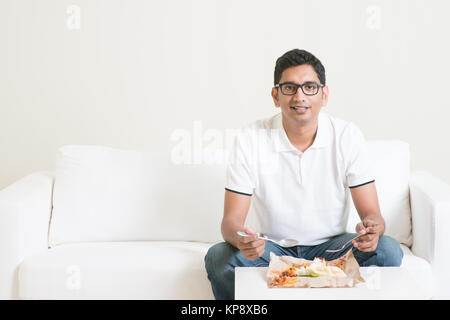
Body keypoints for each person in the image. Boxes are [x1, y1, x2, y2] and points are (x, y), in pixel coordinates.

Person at [204, 49, 403, 300]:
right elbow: (230, 222)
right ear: (276, 96)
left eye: (310, 87)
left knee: (388, 250)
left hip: (332, 248)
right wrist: (243, 240)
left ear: (324, 94)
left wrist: (372, 230)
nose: (300, 96)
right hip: (271, 250)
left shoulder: (346, 135)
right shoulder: (250, 138)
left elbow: (372, 215)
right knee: (219, 257)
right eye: (289, 88)